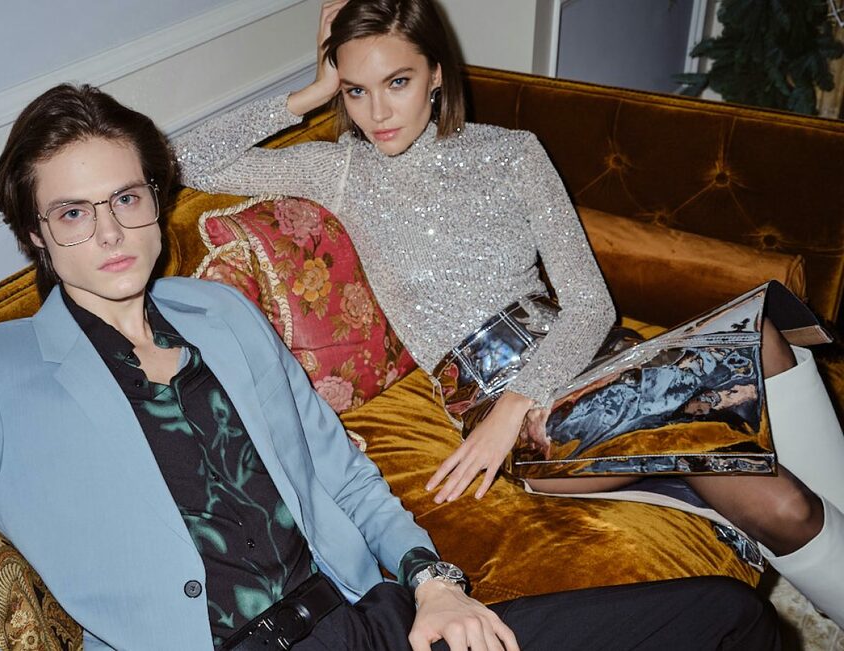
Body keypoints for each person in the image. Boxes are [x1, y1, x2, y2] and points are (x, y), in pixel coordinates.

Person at [0, 82, 779, 650]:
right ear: (32, 233)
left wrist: (434, 582)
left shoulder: (219, 311)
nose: (111, 232)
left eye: (128, 199)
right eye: (72, 212)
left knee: (728, 619)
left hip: (376, 618)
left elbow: (342, 470)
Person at [176, 0, 843, 620]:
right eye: (357, 90)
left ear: (436, 74)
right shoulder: (343, 170)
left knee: (765, 340)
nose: (377, 111)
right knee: (782, 499)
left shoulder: (513, 152)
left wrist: (525, 393)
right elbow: (188, 160)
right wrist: (314, 90)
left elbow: (590, 303)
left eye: (398, 82)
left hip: (578, 360)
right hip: (519, 412)